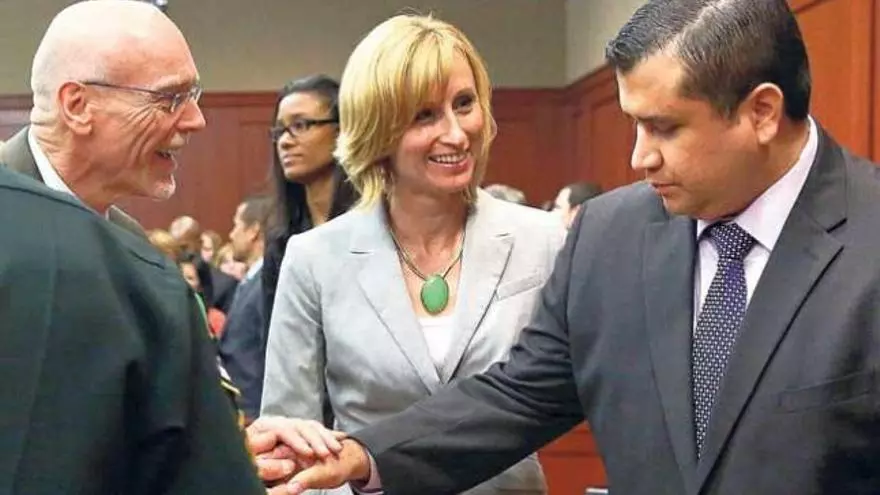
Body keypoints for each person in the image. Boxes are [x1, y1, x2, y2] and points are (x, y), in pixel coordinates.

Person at [251, 1, 880, 494]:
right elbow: (523, 395)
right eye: (633, 124)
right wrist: (365, 455)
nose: (639, 158)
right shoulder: (612, 235)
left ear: (762, 112)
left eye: (664, 127)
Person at [259, 13, 565, 495]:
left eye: (464, 104)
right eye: (425, 115)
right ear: (377, 129)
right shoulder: (313, 258)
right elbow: (291, 442)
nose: (456, 133)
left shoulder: (544, 240)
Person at [0, 148, 263, 492]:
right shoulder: (130, 268)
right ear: (78, 115)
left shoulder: (133, 250)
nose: (192, 122)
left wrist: (235, 441)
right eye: (164, 108)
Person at [262, 75, 358, 325]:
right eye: (280, 131)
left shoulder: (374, 224)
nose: (285, 141)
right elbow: (274, 337)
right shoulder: (281, 238)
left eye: (300, 125)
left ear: (341, 131)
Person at [219, 195, 273, 422]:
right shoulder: (250, 281)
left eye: (236, 225)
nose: (231, 234)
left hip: (255, 412)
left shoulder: (266, 283)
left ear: (253, 231)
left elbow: (268, 352)